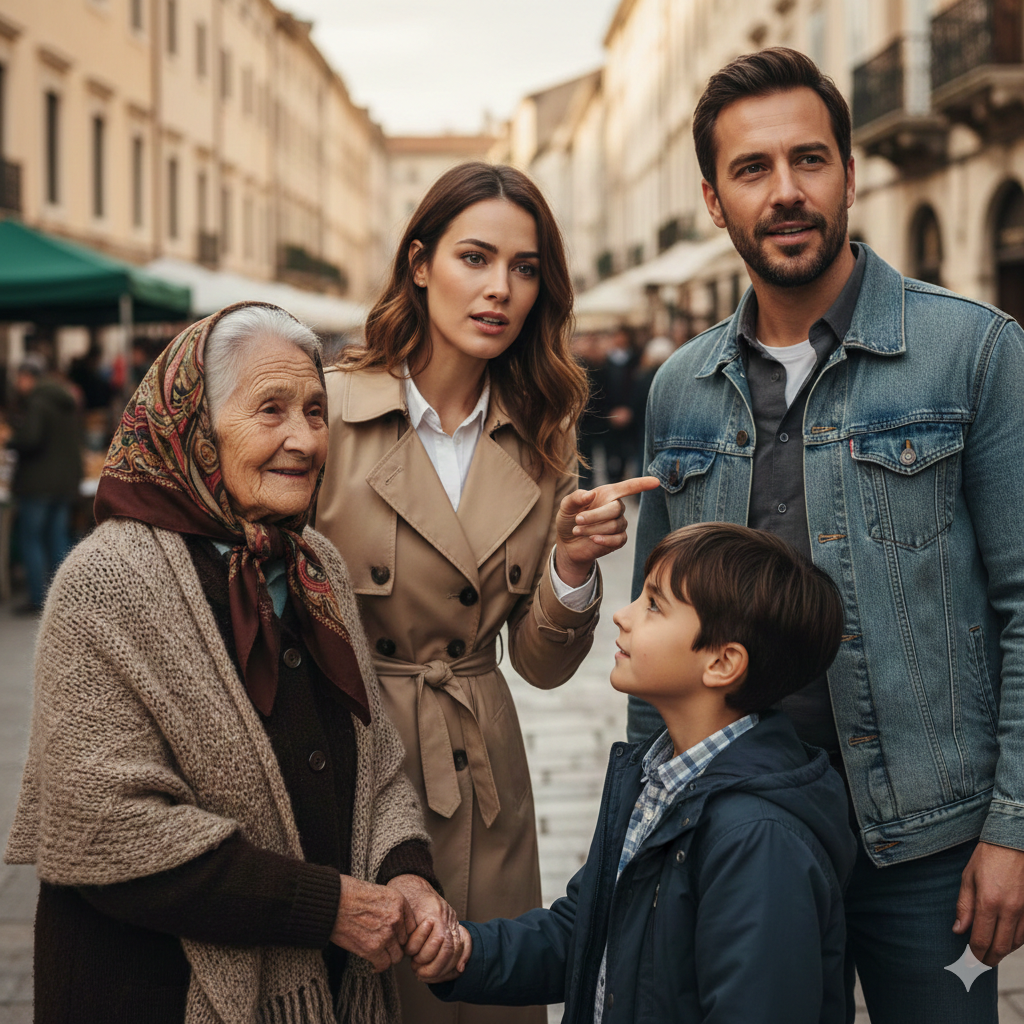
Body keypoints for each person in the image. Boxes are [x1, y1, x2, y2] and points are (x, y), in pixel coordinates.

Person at [629, 46, 1024, 1024]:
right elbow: (656, 633)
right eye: (751, 169)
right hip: (738, 832)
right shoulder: (678, 387)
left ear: (849, 173)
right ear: (715, 202)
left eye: (808, 159)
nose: (786, 191)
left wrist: (1014, 825)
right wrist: (640, 830)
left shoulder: (972, 351)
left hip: (928, 850)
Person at [4, 302, 463, 1024]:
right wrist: (329, 907)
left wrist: (405, 875)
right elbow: (105, 825)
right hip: (151, 994)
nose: (304, 439)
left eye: (315, 411)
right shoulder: (107, 581)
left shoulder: (317, 567)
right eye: (270, 409)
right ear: (193, 424)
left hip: (327, 986)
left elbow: (377, 767)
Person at [314, 161, 658, 1024]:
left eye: (526, 267)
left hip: (479, 774)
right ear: (420, 263)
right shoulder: (324, 414)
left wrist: (571, 569)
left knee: (478, 998)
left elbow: (541, 667)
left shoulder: (541, 436)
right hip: (343, 756)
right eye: (476, 258)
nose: (500, 288)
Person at [423, 523, 857, 1023]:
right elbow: (583, 935)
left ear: (722, 662)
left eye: (653, 604)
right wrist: (460, 952)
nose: (622, 616)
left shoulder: (758, 839)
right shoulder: (656, 774)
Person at [5, 354, 82, 614]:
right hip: (65, 481)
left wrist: (9, 440)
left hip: (39, 482)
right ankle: (66, 597)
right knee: (57, 537)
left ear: (28, 377)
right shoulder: (64, 398)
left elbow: (31, 439)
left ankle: (38, 598)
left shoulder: (38, 402)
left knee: (32, 539)